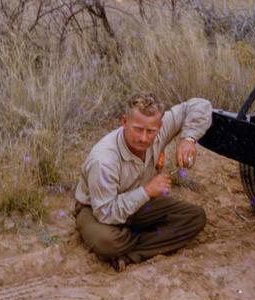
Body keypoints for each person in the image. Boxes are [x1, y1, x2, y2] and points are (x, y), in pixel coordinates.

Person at [74, 92, 212, 272]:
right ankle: (139, 240)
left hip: (140, 203)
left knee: (195, 217)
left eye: (151, 131)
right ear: (124, 122)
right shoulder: (104, 160)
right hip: (96, 208)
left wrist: (188, 139)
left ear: (160, 126)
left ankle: (130, 253)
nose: (144, 138)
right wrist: (147, 191)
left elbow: (201, 105)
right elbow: (105, 212)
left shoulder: (161, 127)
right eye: (137, 129)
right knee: (107, 242)